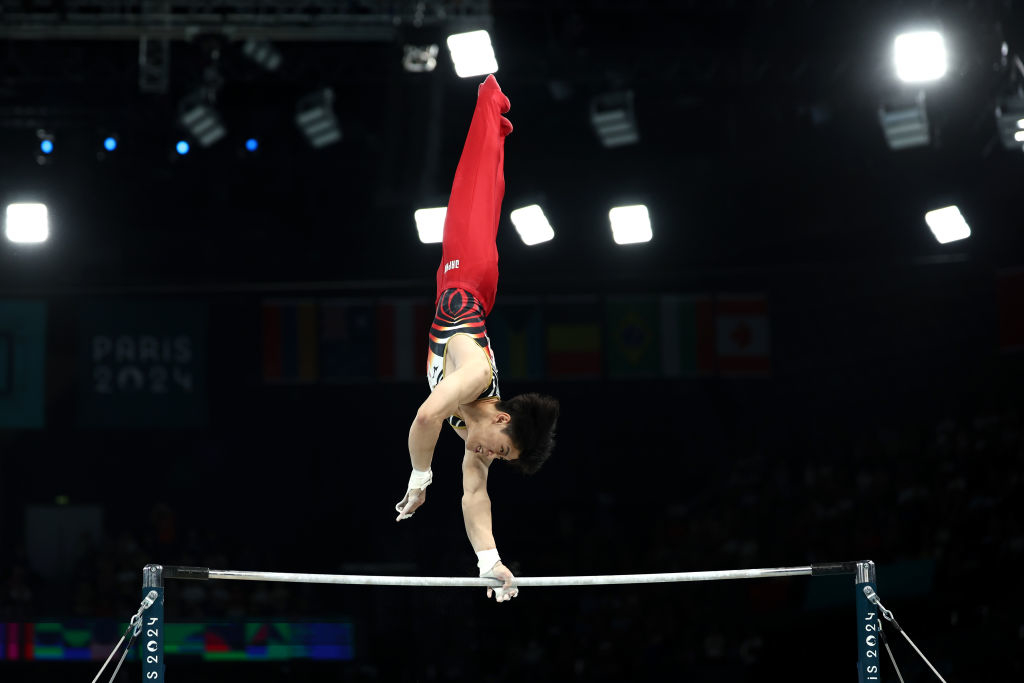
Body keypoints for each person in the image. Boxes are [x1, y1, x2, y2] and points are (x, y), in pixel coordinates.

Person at [394, 74, 560, 603]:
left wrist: (491, 562)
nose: (490, 455)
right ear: (503, 419)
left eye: (499, 459)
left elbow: (473, 496)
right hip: (468, 273)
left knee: (486, 184)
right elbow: (425, 417)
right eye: (502, 450)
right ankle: (492, 98)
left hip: (467, 282)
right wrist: (420, 477)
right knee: (474, 178)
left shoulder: (475, 430)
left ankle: (499, 121)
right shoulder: (477, 379)